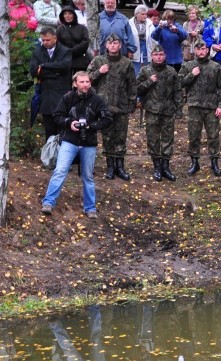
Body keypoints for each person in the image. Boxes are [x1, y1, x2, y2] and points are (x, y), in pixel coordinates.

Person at [40, 71, 113, 219]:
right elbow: (57, 116)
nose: (85, 85)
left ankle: (90, 208)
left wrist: (91, 126)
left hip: (89, 143)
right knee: (60, 171)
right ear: (75, 83)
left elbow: (108, 119)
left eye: (87, 82)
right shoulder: (68, 98)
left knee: (88, 176)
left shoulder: (97, 100)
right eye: (82, 82)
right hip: (69, 140)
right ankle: (48, 202)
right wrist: (69, 122)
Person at [88, 32, 136, 181]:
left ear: (120, 45)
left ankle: (120, 166)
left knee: (121, 136)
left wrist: (132, 103)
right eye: (110, 43)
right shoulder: (98, 60)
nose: (113, 45)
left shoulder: (126, 63)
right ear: (106, 45)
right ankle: (110, 166)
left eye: (116, 43)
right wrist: (99, 72)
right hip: (104, 106)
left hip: (121, 105)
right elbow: (86, 79)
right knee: (107, 137)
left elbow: (132, 85)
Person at [179, 41, 221, 176]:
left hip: (211, 107)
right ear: (195, 51)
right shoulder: (188, 66)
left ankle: (214, 163)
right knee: (194, 136)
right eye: (198, 49)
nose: (201, 51)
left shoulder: (216, 67)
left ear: (207, 50)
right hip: (194, 106)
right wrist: (192, 75)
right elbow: (179, 83)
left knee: (213, 136)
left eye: (203, 49)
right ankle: (194, 162)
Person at [137, 45, 181, 181]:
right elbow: (136, 89)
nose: (159, 57)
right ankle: (157, 166)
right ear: (152, 56)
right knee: (153, 139)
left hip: (168, 110)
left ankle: (166, 166)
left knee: (168, 139)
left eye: (161, 54)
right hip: (151, 110)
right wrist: (149, 81)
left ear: (165, 56)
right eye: (156, 55)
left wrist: (178, 109)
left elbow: (178, 91)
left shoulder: (171, 71)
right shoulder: (145, 71)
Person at [29, 26, 71, 140]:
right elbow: (33, 71)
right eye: (43, 40)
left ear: (55, 38)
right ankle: (50, 156)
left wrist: (44, 66)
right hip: (46, 95)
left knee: (64, 130)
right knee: (49, 131)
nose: (45, 42)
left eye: (47, 40)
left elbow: (65, 67)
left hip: (62, 95)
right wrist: (55, 72)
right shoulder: (37, 52)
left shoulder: (65, 51)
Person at [57, 6, 90, 75]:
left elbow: (85, 42)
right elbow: (57, 43)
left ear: (74, 15)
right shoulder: (60, 29)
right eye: (65, 14)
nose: (67, 16)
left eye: (70, 13)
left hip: (80, 61)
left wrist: (71, 51)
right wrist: (66, 52)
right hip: (65, 60)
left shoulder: (82, 28)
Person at [131, 6, 157, 75]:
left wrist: (154, 51)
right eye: (143, 14)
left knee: (147, 72)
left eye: (146, 14)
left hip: (146, 49)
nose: (145, 16)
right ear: (136, 14)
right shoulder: (130, 23)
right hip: (135, 50)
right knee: (136, 72)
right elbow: (128, 38)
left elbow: (154, 38)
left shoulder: (150, 23)